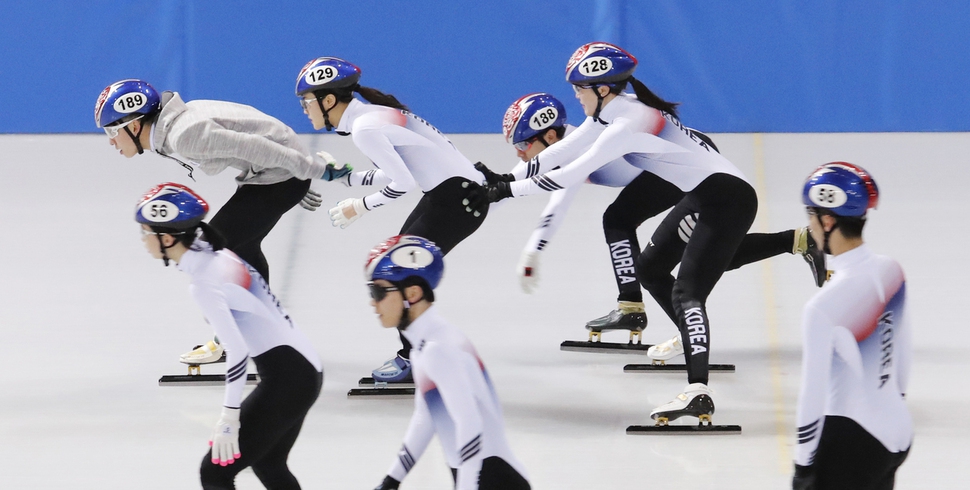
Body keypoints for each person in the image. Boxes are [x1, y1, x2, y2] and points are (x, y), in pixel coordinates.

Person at [464, 41, 824, 424]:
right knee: (651, 269)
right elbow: (557, 153)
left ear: (602, 88)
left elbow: (569, 173)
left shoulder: (627, 122)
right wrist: (504, 179)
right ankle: (796, 243)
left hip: (726, 198)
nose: (575, 96)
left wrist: (505, 190)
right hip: (703, 196)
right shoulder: (612, 111)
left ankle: (698, 392)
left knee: (689, 290)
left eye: (579, 89)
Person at [482, 93, 825, 345]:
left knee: (623, 222)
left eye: (522, 144)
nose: (518, 153)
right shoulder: (552, 150)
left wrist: (533, 251)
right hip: (660, 169)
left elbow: (555, 205)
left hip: (687, 167)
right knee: (706, 250)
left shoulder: (576, 148)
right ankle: (796, 240)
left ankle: (655, 318)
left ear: (550, 136)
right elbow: (504, 188)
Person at [96, 79, 349, 365]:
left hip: (277, 177)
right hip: (274, 177)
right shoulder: (179, 122)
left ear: (134, 125)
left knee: (207, 250)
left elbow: (257, 146)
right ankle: (262, 334)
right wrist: (292, 179)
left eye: (112, 130)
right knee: (246, 251)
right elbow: (255, 135)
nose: (110, 141)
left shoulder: (184, 134)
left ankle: (238, 339)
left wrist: (307, 172)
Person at [295, 57, 487, 383]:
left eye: (307, 102)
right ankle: (418, 354)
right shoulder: (368, 118)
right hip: (453, 195)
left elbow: (402, 183)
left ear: (328, 101)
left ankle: (417, 359)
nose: (304, 109)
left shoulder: (365, 127)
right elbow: (397, 170)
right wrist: (346, 177)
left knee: (397, 275)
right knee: (398, 272)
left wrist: (361, 206)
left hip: (457, 199)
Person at [135, 183, 323, 490]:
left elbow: (236, 351)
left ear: (167, 239)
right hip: (304, 370)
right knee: (269, 464)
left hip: (289, 380)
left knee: (215, 474)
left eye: (145, 233)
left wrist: (228, 417)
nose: (143, 241)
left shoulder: (204, 282)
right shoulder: (215, 252)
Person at [364, 235, 530, 490]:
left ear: (413, 293)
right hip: (480, 476)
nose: (373, 303)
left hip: (491, 479)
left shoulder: (439, 349)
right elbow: (425, 417)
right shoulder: (424, 347)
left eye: (378, 292)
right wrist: (392, 480)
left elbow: (470, 426)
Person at [792, 163, 911, 490]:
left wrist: (802, 465)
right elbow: (902, 356)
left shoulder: (823, 306)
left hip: (854, 441)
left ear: (827, 221)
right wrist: (891, 405)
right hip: (897, 431)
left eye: (811, 218)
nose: (811, 228)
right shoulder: (891, 270)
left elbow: (811, 395)